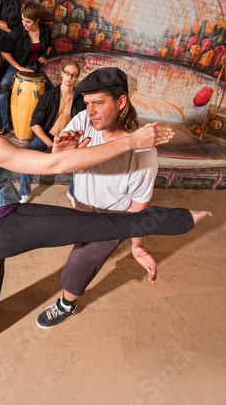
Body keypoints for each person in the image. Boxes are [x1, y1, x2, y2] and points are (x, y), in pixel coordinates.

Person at [0, 63, 211, 341]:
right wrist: (131, 141)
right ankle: (182, 219)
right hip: (4, 227)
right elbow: (54, 167)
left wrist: (59, 152)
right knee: (110, 225)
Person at [35, 67, 202, 328]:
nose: (90, 111)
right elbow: (63, 162)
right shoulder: (83, 120)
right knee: (76, 245)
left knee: (80, 263)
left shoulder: (144, 155)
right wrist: (60, 152)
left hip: (110, 219)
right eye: (88, 103)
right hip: (79, 204)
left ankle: (67, 304)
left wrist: (136, 244)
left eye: (98, 103)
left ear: (121, 102)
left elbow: (139, 203)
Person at [19, 59, 85, 203]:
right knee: (26, 158)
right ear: (61, 73)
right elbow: (34, 124)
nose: (70, 77)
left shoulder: (80, 99)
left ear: (77, 77)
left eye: (74, 75)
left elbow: (83, 125)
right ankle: (24, 193)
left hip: (67, 139)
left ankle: (73, 193)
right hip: (47, 137)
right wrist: (49, 143)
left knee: (82, 162)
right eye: (67, 73)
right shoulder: (49, 96)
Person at [0, 0, 53, 132]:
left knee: (52, 93)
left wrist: (45, 55)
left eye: (28, 21)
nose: (24, 24)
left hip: (37, 68)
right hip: (18, 65)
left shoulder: (45, 30)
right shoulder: (18, 30)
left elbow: (49, 45)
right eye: (23, 20)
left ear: (36, 20)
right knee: (2, 90)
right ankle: (3, 125)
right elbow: (4, 52)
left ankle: (42, 127)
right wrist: (20, 68)